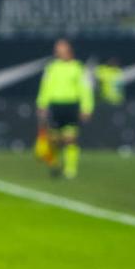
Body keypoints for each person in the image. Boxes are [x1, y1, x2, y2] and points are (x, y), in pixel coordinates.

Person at [36, 39, 94, 179]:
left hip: (71, 106)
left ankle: (70, 170)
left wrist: (87, 107)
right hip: (56, 106)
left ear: (68, 50)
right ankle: (55, 164)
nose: (57, 51)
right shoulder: (52, 68)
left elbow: (85, 89)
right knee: (54, 139)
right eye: (57, 48)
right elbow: (45, 87)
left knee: (70, 139)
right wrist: (41, 104)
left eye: (60, 48)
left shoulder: (78, 68)